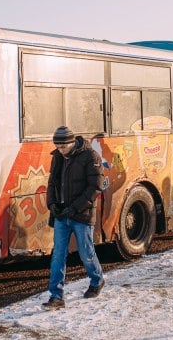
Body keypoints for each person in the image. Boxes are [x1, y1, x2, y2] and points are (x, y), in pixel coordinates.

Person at [42, 126, 105, 310]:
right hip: (62, 214)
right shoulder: (58, 157)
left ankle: (97, 280)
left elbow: (95, 187)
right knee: (58, 256)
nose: (60, 151)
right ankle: (56, 296)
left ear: (72, 143)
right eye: (57, 147)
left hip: (82, 215)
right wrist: (52, 204)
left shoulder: (90, 156)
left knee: (86, 253)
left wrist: (75, 208)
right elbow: (52, 183)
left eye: (63, 147)